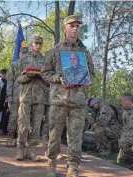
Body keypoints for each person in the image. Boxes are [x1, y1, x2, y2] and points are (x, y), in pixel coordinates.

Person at [42, 15, 94, 177]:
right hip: (58, 100)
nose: (75, 28)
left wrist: (87, 81)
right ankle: (51, 164)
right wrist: (59, 78)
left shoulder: (84, 53)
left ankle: (73, 167)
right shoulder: (54, 51)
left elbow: (91, 73)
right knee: (55, 135)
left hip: (78, 102)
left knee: (76, 137)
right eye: (71, 25)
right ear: (65, 27)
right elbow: (45, 73)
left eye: (77, 25)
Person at [15, 36, 47, 162]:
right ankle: (20, 149)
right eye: (36, 43)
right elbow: (18, 79)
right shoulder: (23, 60)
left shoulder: (45, 61)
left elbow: (49, 81)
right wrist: (28, 76)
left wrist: (42, 76)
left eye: (40, 43)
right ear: (32, 44)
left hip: (40, 98)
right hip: (26, 97)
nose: (38, 45)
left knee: (36, 126)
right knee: (23, 125)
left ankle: (32, 151)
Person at [6, 46, 29, 147]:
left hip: (27, 95)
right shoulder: (14, 65)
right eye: (22, 53)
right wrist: (9, 95)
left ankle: (22, 139)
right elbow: (10, 81)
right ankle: (10, 137)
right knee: (13, 117)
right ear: (19, 54)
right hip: (16, 94)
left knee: (25, 118)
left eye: (26, 53)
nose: (24, 55)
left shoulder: (30, 66)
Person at [117, 92, 133, 164]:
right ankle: (129, 158)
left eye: (122, 101)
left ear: (128, 101)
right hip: (128, 137)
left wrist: (125, 138)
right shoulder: (125, 111)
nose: (121, 103)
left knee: (122, 142)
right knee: (120, 160)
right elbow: (125, 128)